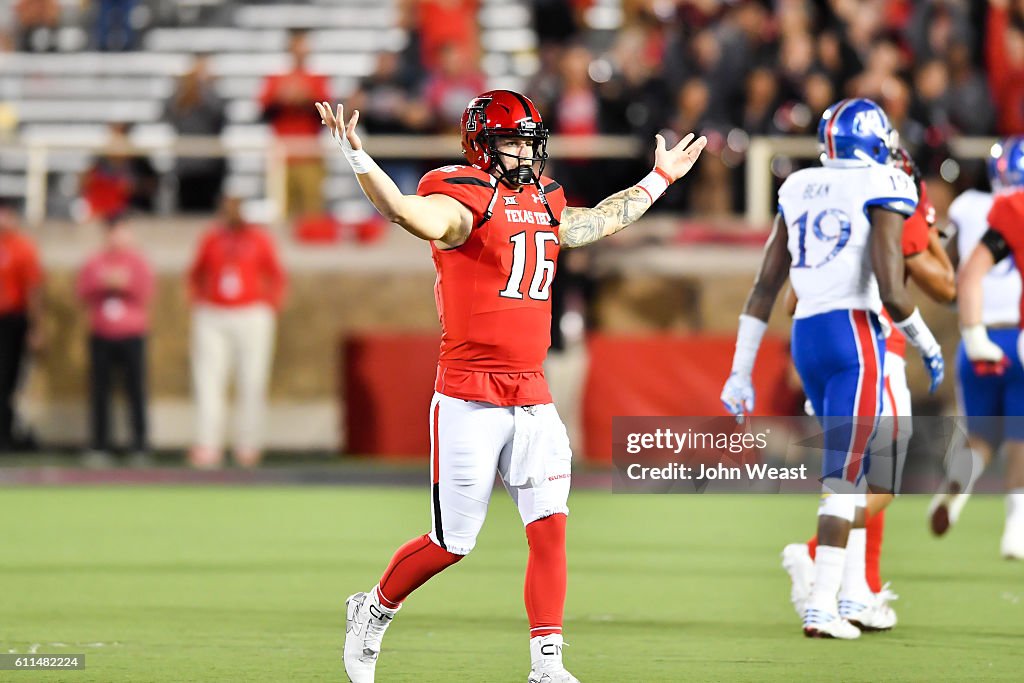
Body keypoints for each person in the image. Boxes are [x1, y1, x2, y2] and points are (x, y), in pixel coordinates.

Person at [316, 90, 706, 682]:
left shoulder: (545, 197)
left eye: (528, 140)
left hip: (531, 393)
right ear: (480, 144)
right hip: (470, 395)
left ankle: (546, 665)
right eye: (509, 141)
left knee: (550, 527)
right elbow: (406, 212)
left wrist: (657, 179)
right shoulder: (461, 196)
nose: (523, 152)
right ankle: (371, 609)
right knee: (452, 542)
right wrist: (360, 159)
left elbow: (591, 223)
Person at [720, 99, 944, 639]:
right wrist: (927, 341)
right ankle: (823, 604)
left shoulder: (798, 185)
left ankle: (850, 593)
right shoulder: (886, 181)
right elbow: (892, 289)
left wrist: (739, 370)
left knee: (853, 471)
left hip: (808, 338)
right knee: (849, 476)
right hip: (855, 336)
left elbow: (766, 285)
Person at [780, 147, 957, 630]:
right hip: (875, 345)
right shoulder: (895, 196)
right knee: (883, 479)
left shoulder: (834, 203)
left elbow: (793, 296)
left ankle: (857, 591)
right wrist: (936, 231)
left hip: (832, 339)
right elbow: (945, 286)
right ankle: (815, 557)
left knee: (862, 471)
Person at [953, 136, 1024, 559]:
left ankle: (956, 491)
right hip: (1016, 331)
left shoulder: (972, 207)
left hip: (983, 331)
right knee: (1020, 434)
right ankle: (1017, 522)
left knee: (979, 435)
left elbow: (963, 275)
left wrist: (972, 330)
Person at [187, 196, 286, 469]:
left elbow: (276, 274)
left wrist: (269, 306)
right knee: (209, 381)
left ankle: (248, 445)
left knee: (252, 380)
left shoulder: (259, 239)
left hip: (251, 313)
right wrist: (199, 302)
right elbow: (195, 274)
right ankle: (208, 444)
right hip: (214, 314)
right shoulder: (211, 239)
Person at [75, 216, 155, 466]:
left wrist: (125, 284)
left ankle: (139, 444)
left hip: (132, 334)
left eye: (121, 232)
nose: (116, 238)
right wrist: (103, 283)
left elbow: (147, 292)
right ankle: (100, 445)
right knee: (100, 391)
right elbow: (81, 291)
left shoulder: (138, 262)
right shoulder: (95, 261)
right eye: (112, 232)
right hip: (102, 334)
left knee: (135, 389)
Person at [259, 30, 331, 224]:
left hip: (310, 154)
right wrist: (282, 99)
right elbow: (263, 112)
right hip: (282, 155)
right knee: (284, 213)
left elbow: (326, 117)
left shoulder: (317, 80)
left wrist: (306, 99)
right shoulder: (276, 80)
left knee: (312, 213)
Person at [0, 198, 43, 451]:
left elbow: (34, 288)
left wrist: (37, 328)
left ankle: (5, 435)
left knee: (8, 380)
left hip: (12, 321)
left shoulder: (23, 247)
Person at [164, 55, 227, 213]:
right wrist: (183, 87)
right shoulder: (181, 96)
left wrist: (204, 89)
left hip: (210, 164)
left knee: (208, 210)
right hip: (186, 164)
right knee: (185, 208)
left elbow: (219, 116)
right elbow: (168, 113)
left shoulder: (213, 95)